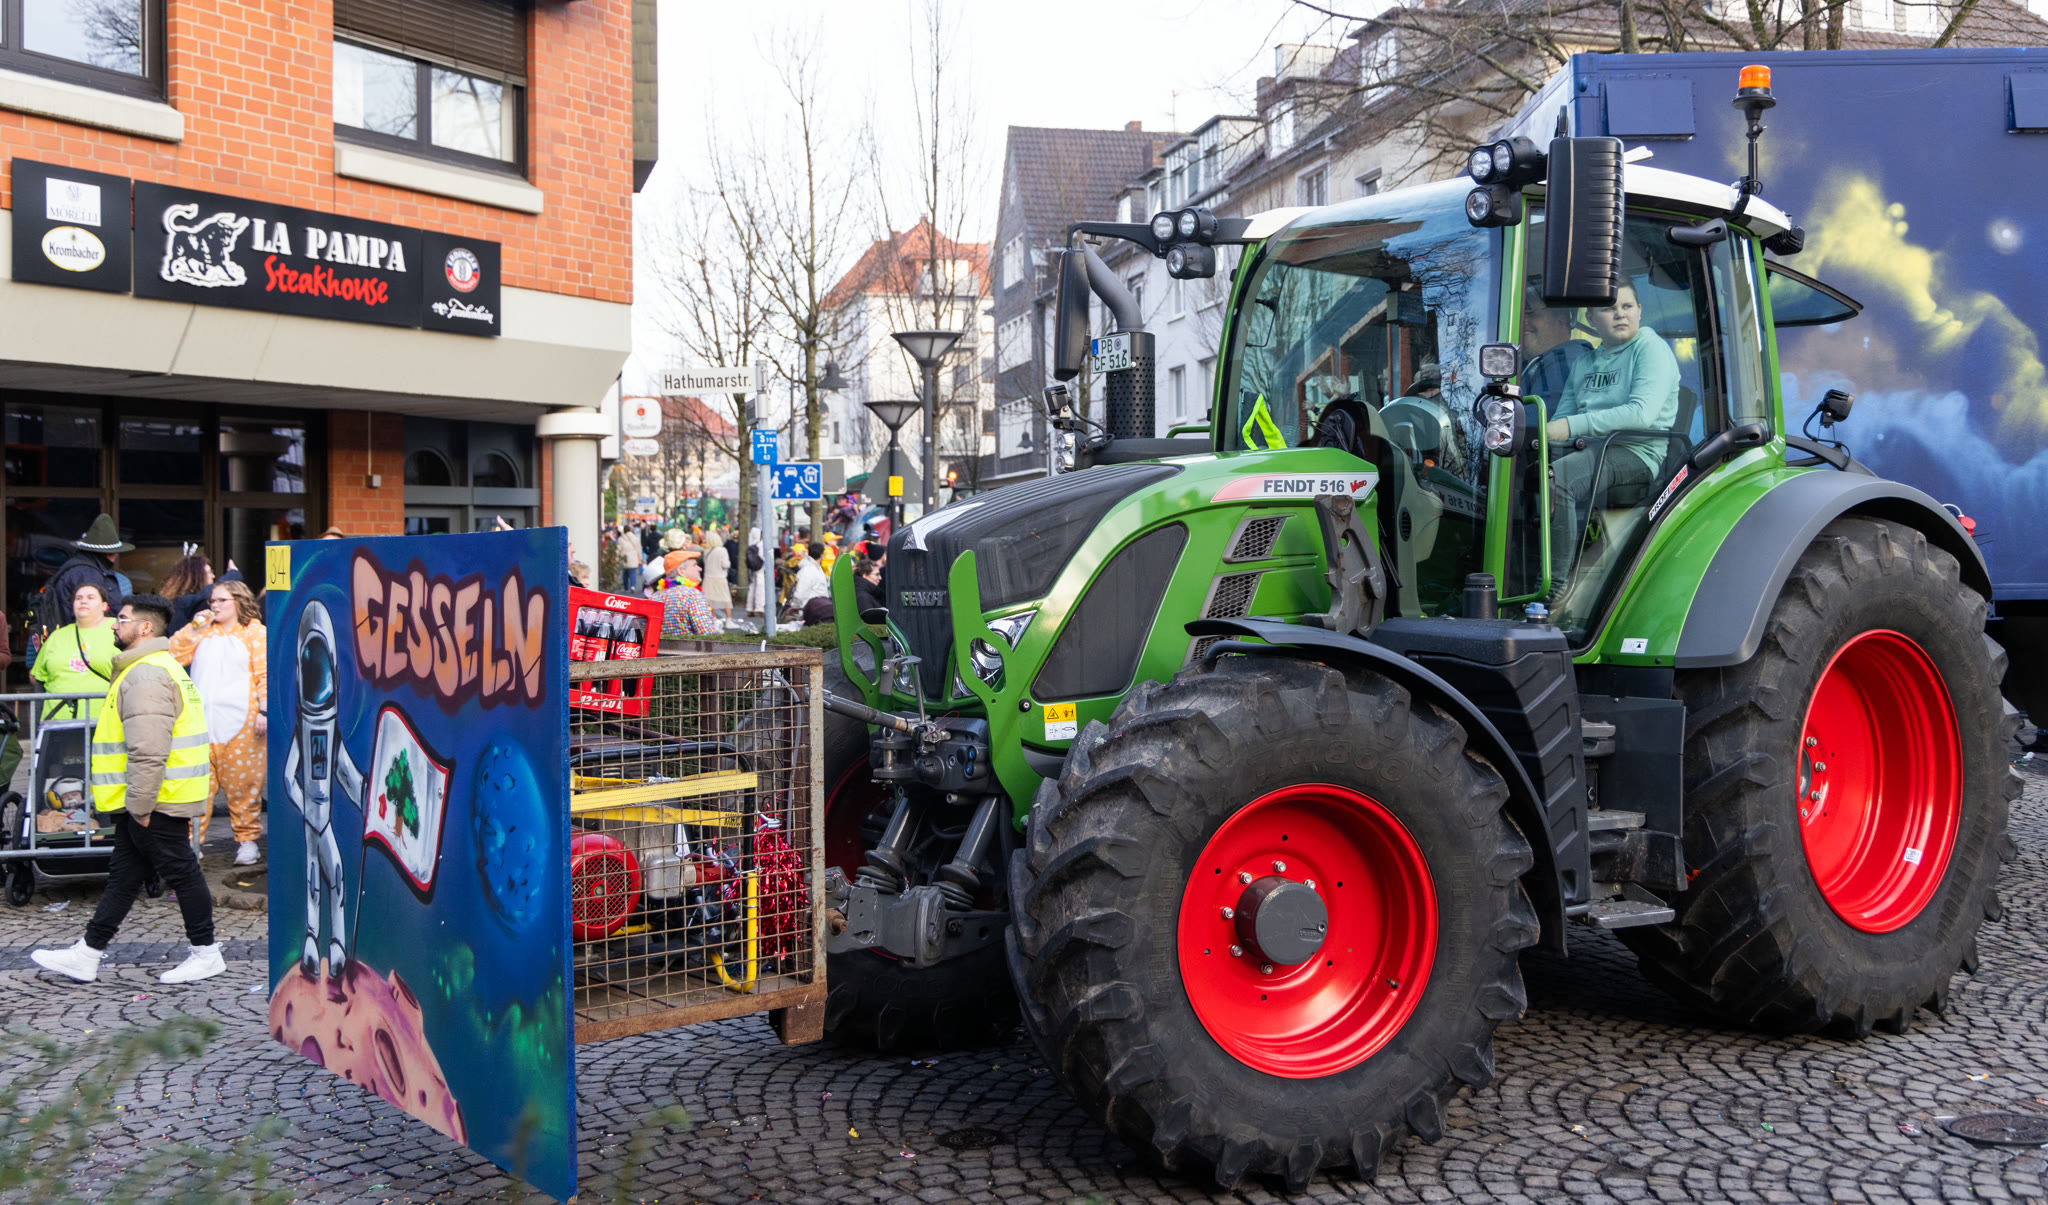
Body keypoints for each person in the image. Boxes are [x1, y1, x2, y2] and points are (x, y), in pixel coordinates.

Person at [30, 594, 222, 986]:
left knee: (181, 871)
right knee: (124, 875)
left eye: (121, 619)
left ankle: (206, 953)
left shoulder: (146, 675)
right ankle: (87, 953)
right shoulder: (153, 667)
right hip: (155, 796)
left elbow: (148, 750)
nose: (115, 625)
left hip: (156, 799)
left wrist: (140, 805)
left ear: (144, 628)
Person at [1543, 283, 1681, 599]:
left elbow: (1641, 413)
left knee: (1560, 479)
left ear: (1639, 311)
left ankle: (1554, 589)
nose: (1620, 314)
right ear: (1591, 318)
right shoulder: (1584, 363)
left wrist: (1572, 426)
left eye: (1627, 306)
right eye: (1609, 308)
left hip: (1636, 453)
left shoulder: (1649, 348)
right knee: (1525, 474)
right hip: (1591, 450)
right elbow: (1561, 420)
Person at [170, 579, 267, 865]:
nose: (215, 605)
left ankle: (247, 841)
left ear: (239, 601)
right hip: (201, 722)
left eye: (222, 600)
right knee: (198, 785)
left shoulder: (255, 632)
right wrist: (193, 627)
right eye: (212, 600)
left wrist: (264, 711)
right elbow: (174, 653)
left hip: (243, 722)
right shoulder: (203, 631)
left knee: (244, 784)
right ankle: (193, 842)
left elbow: (265, 673)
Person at [30, 583, 118, 722]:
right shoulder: (56, 636)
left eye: (90, 597)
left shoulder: (118, 631)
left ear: (104, 606)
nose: (83, 601)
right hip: (56, 721)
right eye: (78, 598)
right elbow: (38, 679)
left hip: (103, 722)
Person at [38, 514, 126, 636]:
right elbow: (91, 615)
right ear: (105, 552)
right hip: (86, 639)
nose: (115, 557)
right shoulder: (87, 574)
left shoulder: (78, 568)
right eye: (114, 553)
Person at [651, 561, 718, 640]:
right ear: (681, 571)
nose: (700, 568)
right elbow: (707, 633)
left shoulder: (655, 596)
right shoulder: (692, 594)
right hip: (688, 646)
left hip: (660, 647)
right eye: (694, 565)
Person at [161, 546, 216, 632]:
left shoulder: (177, 600)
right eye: (209, 573)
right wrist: (233, 573)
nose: (213, 576)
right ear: (198, 576)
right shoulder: (186, 601)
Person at [699, 529, 733, 626]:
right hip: (720, 578)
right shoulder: (722, 550)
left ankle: (713, 619)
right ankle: (729, 620)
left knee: (710, 601)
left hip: (708, 579)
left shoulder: (706, 551)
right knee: (726, 600)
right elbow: (725, 564)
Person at [787, 541, 830, 617]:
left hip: (817, 609)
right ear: (821, 555)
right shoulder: (808, 570)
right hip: (811, 611)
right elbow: (800, 594)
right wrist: (795, 606)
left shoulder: (815, 568)